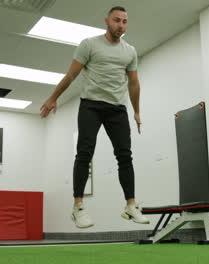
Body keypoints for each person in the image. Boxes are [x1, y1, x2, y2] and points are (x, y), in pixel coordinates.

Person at [40, 6, 149, 228]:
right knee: (84, 153)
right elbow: (71, 75)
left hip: (117, 108)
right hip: (91, 106)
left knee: (125, 156)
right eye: (117, 20)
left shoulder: (130, 51)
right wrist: (53, 98)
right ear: (107, 21)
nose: (121, 25)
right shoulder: (89, 44)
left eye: (125, 22)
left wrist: (136, 110)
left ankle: (130, 205)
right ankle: (78, 207)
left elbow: (134, 82)